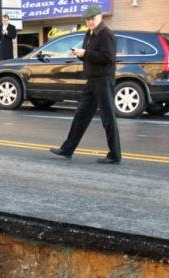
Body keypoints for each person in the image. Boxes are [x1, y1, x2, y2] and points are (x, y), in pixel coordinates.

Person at [50, 4, 121, 165]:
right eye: (87, 20)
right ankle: (67, 149)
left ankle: (115, 155)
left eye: (92, 19)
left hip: (103, 80)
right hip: (92, 81)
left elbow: (107, 58)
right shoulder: (89, 34)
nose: (90, 22)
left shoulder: (106, 34)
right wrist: (80, 54)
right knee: (81, 115)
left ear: (100, 17)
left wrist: (86, 53)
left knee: (107, 118)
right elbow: (90, 56)